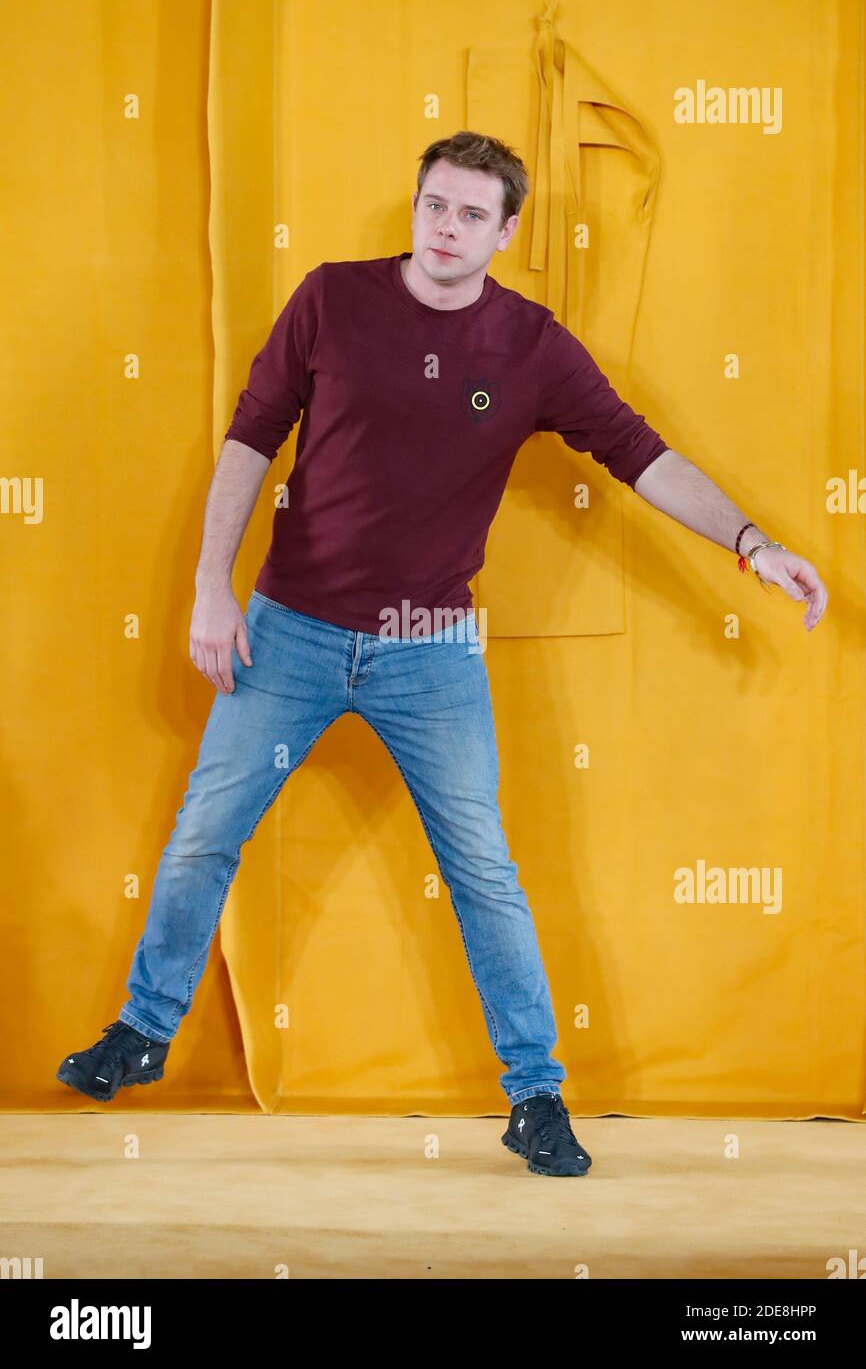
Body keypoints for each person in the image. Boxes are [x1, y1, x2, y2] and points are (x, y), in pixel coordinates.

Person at [57, 130, 828, 1178]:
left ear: (504, 232)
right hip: (288, 630)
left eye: (470, 214)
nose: (445, 227)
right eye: (432, 205)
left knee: (482, 872)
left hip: (431, 653)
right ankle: (143, 1032)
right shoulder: (331, 298)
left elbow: (639, 454)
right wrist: (209, 586)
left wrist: (753, 543)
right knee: (204, 832)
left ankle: (536, 1094)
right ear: (413, 207)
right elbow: (249, 436)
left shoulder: (531, 346)